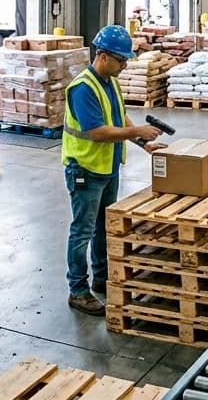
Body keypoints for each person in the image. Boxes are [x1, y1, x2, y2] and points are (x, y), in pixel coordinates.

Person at [62, 25, 167, 315]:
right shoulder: (84, 88)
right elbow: (97, 132)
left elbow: (119, 119)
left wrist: (142, 142)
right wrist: (138, 131)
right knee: (82, 230)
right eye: (121, 60)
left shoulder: (110, 82)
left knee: (101, 228)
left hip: (107, 169)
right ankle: (78, 291)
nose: (124, 65)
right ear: (104, 56)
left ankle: (102, 279)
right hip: (84, 170)